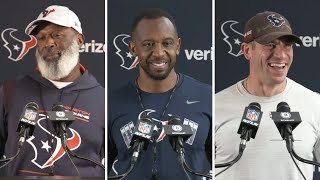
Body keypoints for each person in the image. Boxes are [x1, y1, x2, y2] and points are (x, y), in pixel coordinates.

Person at [0, 5, 104, 176]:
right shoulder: (10, 91)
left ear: (79, 40)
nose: (48, 43)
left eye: (57, 35)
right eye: (41, 38)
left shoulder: (102, 99)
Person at [108, 8, 212, 180]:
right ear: (133, 48)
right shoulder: (112, 103)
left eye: (167, 43)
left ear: (178, 46)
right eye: (148, 44)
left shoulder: (206, 97)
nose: (158, 53)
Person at [215, 11, 320, 180]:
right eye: (270, 44)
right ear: (247, 50)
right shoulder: (215, 105)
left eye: (287, 45)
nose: (280, 54)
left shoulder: (315, 104)